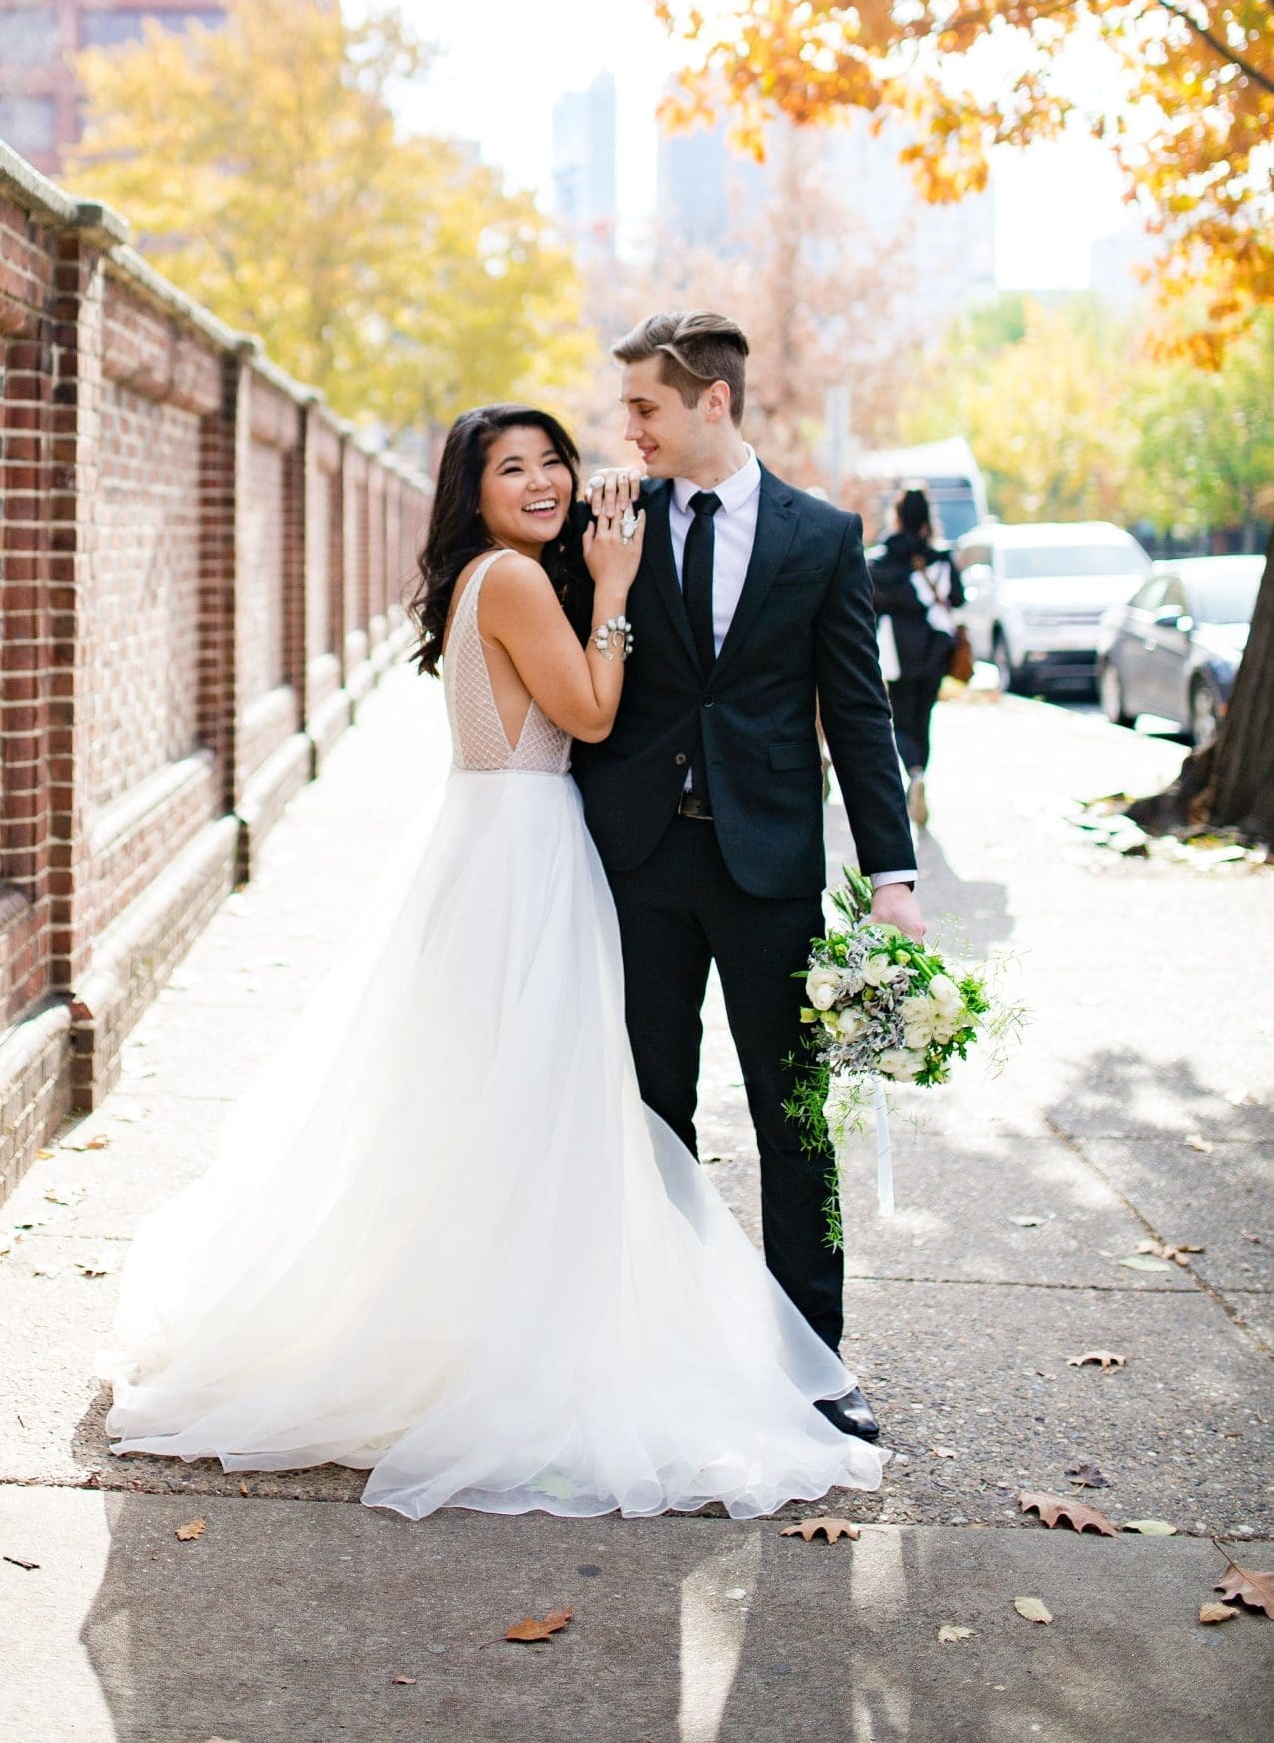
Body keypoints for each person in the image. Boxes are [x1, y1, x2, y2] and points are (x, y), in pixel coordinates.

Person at [104, 402, 881, 1520]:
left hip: (494, 839)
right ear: (470, 491)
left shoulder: (493, 574)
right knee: (540, 1105)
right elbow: (592, 712)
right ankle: (516, 1356)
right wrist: (614, 587)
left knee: (494, 1109)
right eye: (510, 467)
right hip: (523, 853)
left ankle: (487, 1328)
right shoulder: (514, 582)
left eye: (552, 459)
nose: (543, 481)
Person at [578, 313, 920, 1443]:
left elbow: (859, 716)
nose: (627, 427)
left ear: (710, 402)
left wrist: (893, 875)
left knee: (795, 1118)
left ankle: (815, 1366)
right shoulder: (611, 520)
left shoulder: (822, 538)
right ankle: (655, 1348)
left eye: (645, 408)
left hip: (769, 865)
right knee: (648, 1110)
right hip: (639, 859)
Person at [868, 485, 966, 829]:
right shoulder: (940, 556)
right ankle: (920, 771)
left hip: (896, 649)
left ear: (896, 515)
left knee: (899, 716)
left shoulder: (881, 559)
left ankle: (911, 770)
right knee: (925, 717)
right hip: (935, 647)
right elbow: (957, 597)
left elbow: (869, 602)